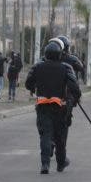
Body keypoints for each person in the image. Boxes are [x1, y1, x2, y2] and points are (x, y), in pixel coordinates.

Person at [25, 39, 81, 174]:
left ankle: (45, 164)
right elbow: (74, 87)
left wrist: (35, 87)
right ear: (60, 54)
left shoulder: (37, 67)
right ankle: (60, 163)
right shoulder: (66, 68)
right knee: (60, 137)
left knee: (45, 135)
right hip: (60, 108)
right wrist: (76, 98)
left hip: (43, 107)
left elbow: (28, 84)